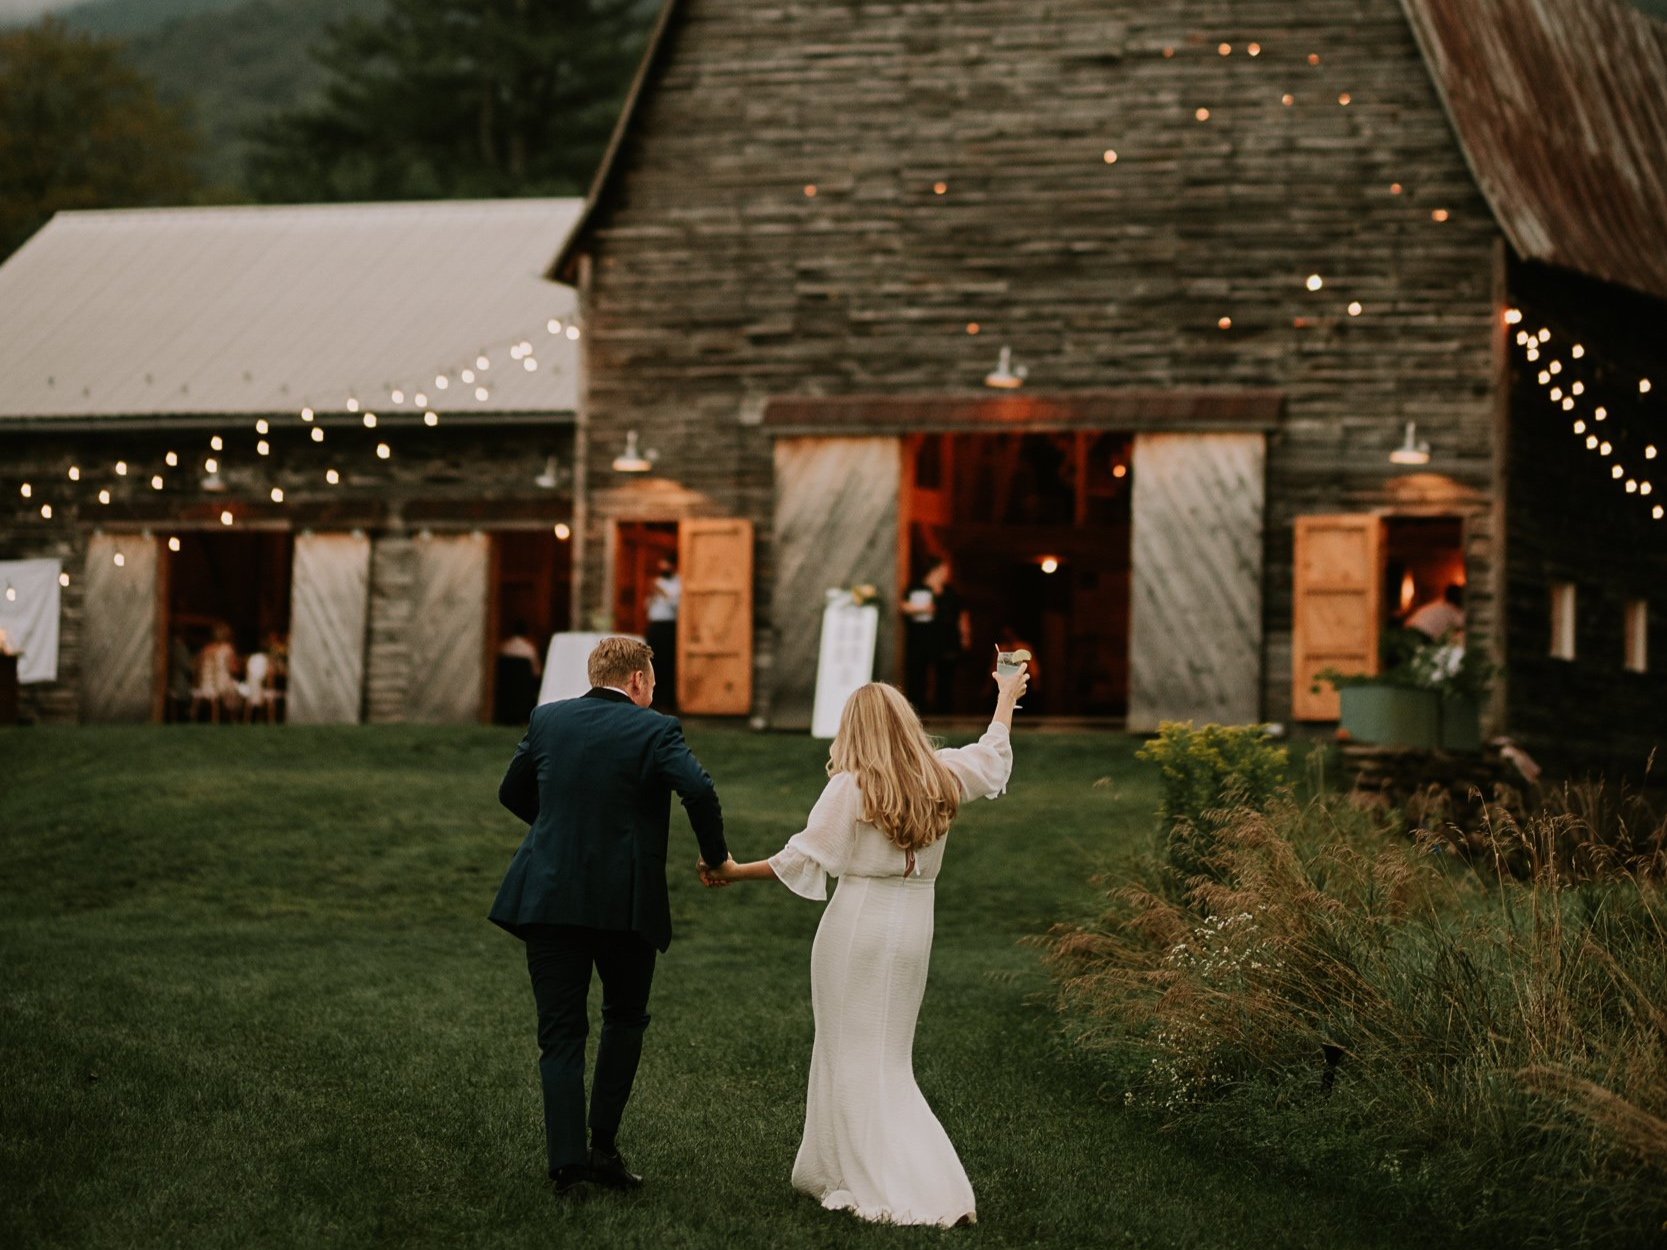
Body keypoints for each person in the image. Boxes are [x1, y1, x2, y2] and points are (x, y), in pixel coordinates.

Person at [699, 660, 1028, 1227]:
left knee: (851, 1052)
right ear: (906, 724)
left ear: (856, 729)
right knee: (887, 1055)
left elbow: (802, 857)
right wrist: (1006, 694)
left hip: (857, 925)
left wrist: (730, 870)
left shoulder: (850, 785)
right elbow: (993, 754)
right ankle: (843, 1169)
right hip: (914, 928)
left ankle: (896, 1182)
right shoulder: (943, 775)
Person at [489, 636, 728, 1197]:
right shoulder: (656, 729)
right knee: (625, 1017)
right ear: (640, 681)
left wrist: (557, 833)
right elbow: (699, 790)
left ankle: (567, 1168)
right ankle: (602, 1148)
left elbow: (510, 791)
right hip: (625, 902)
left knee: (561, 1033)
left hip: (548, 896)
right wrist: (716, 859)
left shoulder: (548, 720)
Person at [902, 557, 969, 714]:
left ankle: (944, 713)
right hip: (921, 641)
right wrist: (923, 609)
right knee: (919, 677)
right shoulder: (916, 589)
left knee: (945, 679)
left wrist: (965, 636)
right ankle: (918, 712)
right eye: (944, 569)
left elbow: (962, 615)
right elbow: (903, 606)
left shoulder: (951, 592)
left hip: (947, 641)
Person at [644, 558, 680, 711]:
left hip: (669, 626)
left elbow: (676, 606)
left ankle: (668, 701)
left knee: (667, 663)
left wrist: (663, 593)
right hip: (655, 626)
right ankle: (653, 699)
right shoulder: (657, 581)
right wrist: (652, 595)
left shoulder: (679, 583)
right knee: (653, 663)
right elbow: (647, 607)